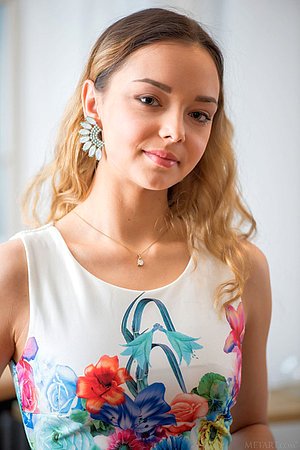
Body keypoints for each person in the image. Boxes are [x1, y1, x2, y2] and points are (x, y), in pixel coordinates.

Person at [0, 7, 275, 450]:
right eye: (150, 100)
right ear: (94, 103)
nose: (175, 131)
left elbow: (249, 426)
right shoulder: (21, 269)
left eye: (199, 114)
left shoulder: (240, 269)